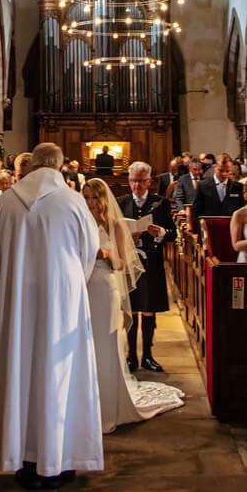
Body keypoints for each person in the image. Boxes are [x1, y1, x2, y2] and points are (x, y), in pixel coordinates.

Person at [0, 142, 103, 489]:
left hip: (19, 298)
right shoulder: (72, 200)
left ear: (32, 165)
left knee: (21, 369)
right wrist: (72, 278)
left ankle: (24, 459)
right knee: (62, 372)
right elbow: (89, 250)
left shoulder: (6, 201)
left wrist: (11, 275)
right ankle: (60, 459)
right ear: (61, 166)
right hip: (63, 300)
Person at [79, 180, 184, 429]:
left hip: (104, 286)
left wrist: (104, 254)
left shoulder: (114, 224)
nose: (90, 203)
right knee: (85, 344)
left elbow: (122, 263)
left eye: (94, 198)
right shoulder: (79, 222)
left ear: (103, 199)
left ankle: (108, 401)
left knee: (104, 342)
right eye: (86, 198)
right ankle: (84, 400)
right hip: (82, 286)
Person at [119, 161, 171, 372]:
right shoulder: (121, 202)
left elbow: (173, 232)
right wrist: (126, 237)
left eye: (141, 181)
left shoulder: (160, 203)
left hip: (152, 262)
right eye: (133, 181)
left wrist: (159, 233)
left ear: (149, 181)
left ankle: (147, 356)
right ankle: (131, 355)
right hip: (129, 263)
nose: (137, 186)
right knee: (132, 309)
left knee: (149, 309)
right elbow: (111, 232)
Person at [193, 153, 240, 220]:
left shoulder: (238, 187)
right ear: (214, 167)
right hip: (208, 227)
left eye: (227, 171)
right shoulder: (202, 185)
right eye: (220, 170)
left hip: (231, 227)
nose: (224, 174)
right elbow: (196, 212)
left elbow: (241, 211)